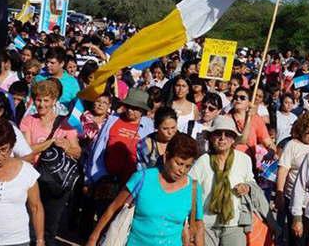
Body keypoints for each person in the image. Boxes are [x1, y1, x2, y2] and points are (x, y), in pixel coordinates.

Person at [87, 133, 204, 246]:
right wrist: (93, 238)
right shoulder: (142, 178)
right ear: (166, 157)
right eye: (179, 163)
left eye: (188, 166)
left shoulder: (193, 188)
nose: (182, 170)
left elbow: (198, 226)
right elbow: (113, 209)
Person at [19, 79, 81, 246]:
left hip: (57, 181)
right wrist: (50, 142)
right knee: (31, 224)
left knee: (51, 227)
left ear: (54, 101)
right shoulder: (28, 121)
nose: (41, 104)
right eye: (38, 99)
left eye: (46, 100)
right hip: (33, 178)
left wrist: (67, 146)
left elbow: (77, 152)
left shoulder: (65, 123)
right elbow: (26, 151)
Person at [189, 116, 255, 246]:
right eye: (218, 133)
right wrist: (193, 223)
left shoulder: (244, 159)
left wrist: (246, 187)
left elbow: (251, 182)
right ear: (211, 137)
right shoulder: (203, 161)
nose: (222, 138)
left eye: (228, 134)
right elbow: (191, 189)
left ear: (233, 139)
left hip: (234, 223)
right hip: (206, 224)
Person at [275, 113, 309, 246]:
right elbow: (283, 169)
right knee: (297, 239)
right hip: (295, 199)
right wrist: (279, 193)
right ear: (301, 130)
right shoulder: (292, 145)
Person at [230, 87, 276, 156]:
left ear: (249, 102)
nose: (238, 99)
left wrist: (271, 151)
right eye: (235, 97)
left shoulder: (256, 119)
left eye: (242, 98)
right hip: (231, 159)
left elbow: (268, 142)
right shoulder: (226, 118)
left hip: (249, 162)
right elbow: (242, 140)